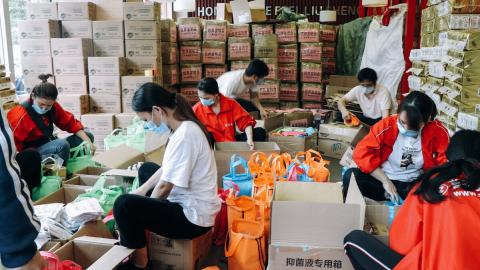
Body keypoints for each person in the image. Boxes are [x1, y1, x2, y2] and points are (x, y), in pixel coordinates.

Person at [113, 83, 221, 270]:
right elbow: (166, 168)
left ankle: (140, 265)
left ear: (157, 110)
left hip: (192, 219)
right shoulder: (183, 128)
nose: (148, 125)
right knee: (146, 169)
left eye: (146, 119)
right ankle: (136, 232)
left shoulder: (185, 135)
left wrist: (146, 212)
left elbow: (164, 188)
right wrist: (141, 191)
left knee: (123, 205)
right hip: (192, 205)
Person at [344, 130, 480, 270]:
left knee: (353, 239)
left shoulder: (430, 186)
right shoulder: (386, 127)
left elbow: (401, 244)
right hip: (393, 182)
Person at [342, 91, 449, 203]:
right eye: (402, 122)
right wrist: (385, 181)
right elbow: (362, 154)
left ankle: (411, 201)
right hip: (383, 179)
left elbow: (444, 165)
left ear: (427, 120)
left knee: (438, 191)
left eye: (413, 126)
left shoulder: (438, 132)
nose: (406, 128)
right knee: (351, 176)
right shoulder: (386, 125)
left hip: (414, 184)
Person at [7, 74, 95, 170]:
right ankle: (60, 174)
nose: (44, 108)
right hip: (32, 153)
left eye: (48, 106)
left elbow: (70, 123)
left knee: (87, 137)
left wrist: (89, 142)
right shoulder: (20, 115)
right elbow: (11, 146)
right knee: (61, 145)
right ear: (33, 96)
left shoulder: (54, 107)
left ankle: (72, 166)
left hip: (48, 143)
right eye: (41, 104)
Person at [0, 108, 46, 270]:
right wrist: (21, 251)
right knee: (31, 156)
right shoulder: (21, 115)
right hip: (13, 246)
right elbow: (2, 172)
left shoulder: (54, 110)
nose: (45, 108)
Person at [193, 78, 267, 150]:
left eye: (206, 98)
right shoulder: (197, 109)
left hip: (231, 142)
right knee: (207, 135)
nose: (202, 101)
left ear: (216, 94)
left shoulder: (230, 103)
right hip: (211, 146)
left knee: (260, 132)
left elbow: (245, 121)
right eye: (200, 97)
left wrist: (250, 139)